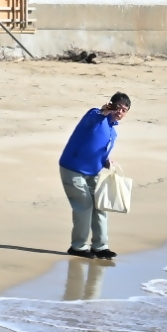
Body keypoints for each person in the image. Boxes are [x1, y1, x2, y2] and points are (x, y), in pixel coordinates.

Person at [60, 93, 131, 261]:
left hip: (92, 172)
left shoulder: (113, 131)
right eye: (118, 107)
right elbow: (96, 115)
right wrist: (104, 111)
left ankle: (100, 247)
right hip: (72, 168)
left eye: (125, 110)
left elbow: (95, 148)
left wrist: (105, 161)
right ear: (111, 105)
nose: (120, 111)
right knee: (84, 205)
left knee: (100, 206)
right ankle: (78, 246)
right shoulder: (97, 116)